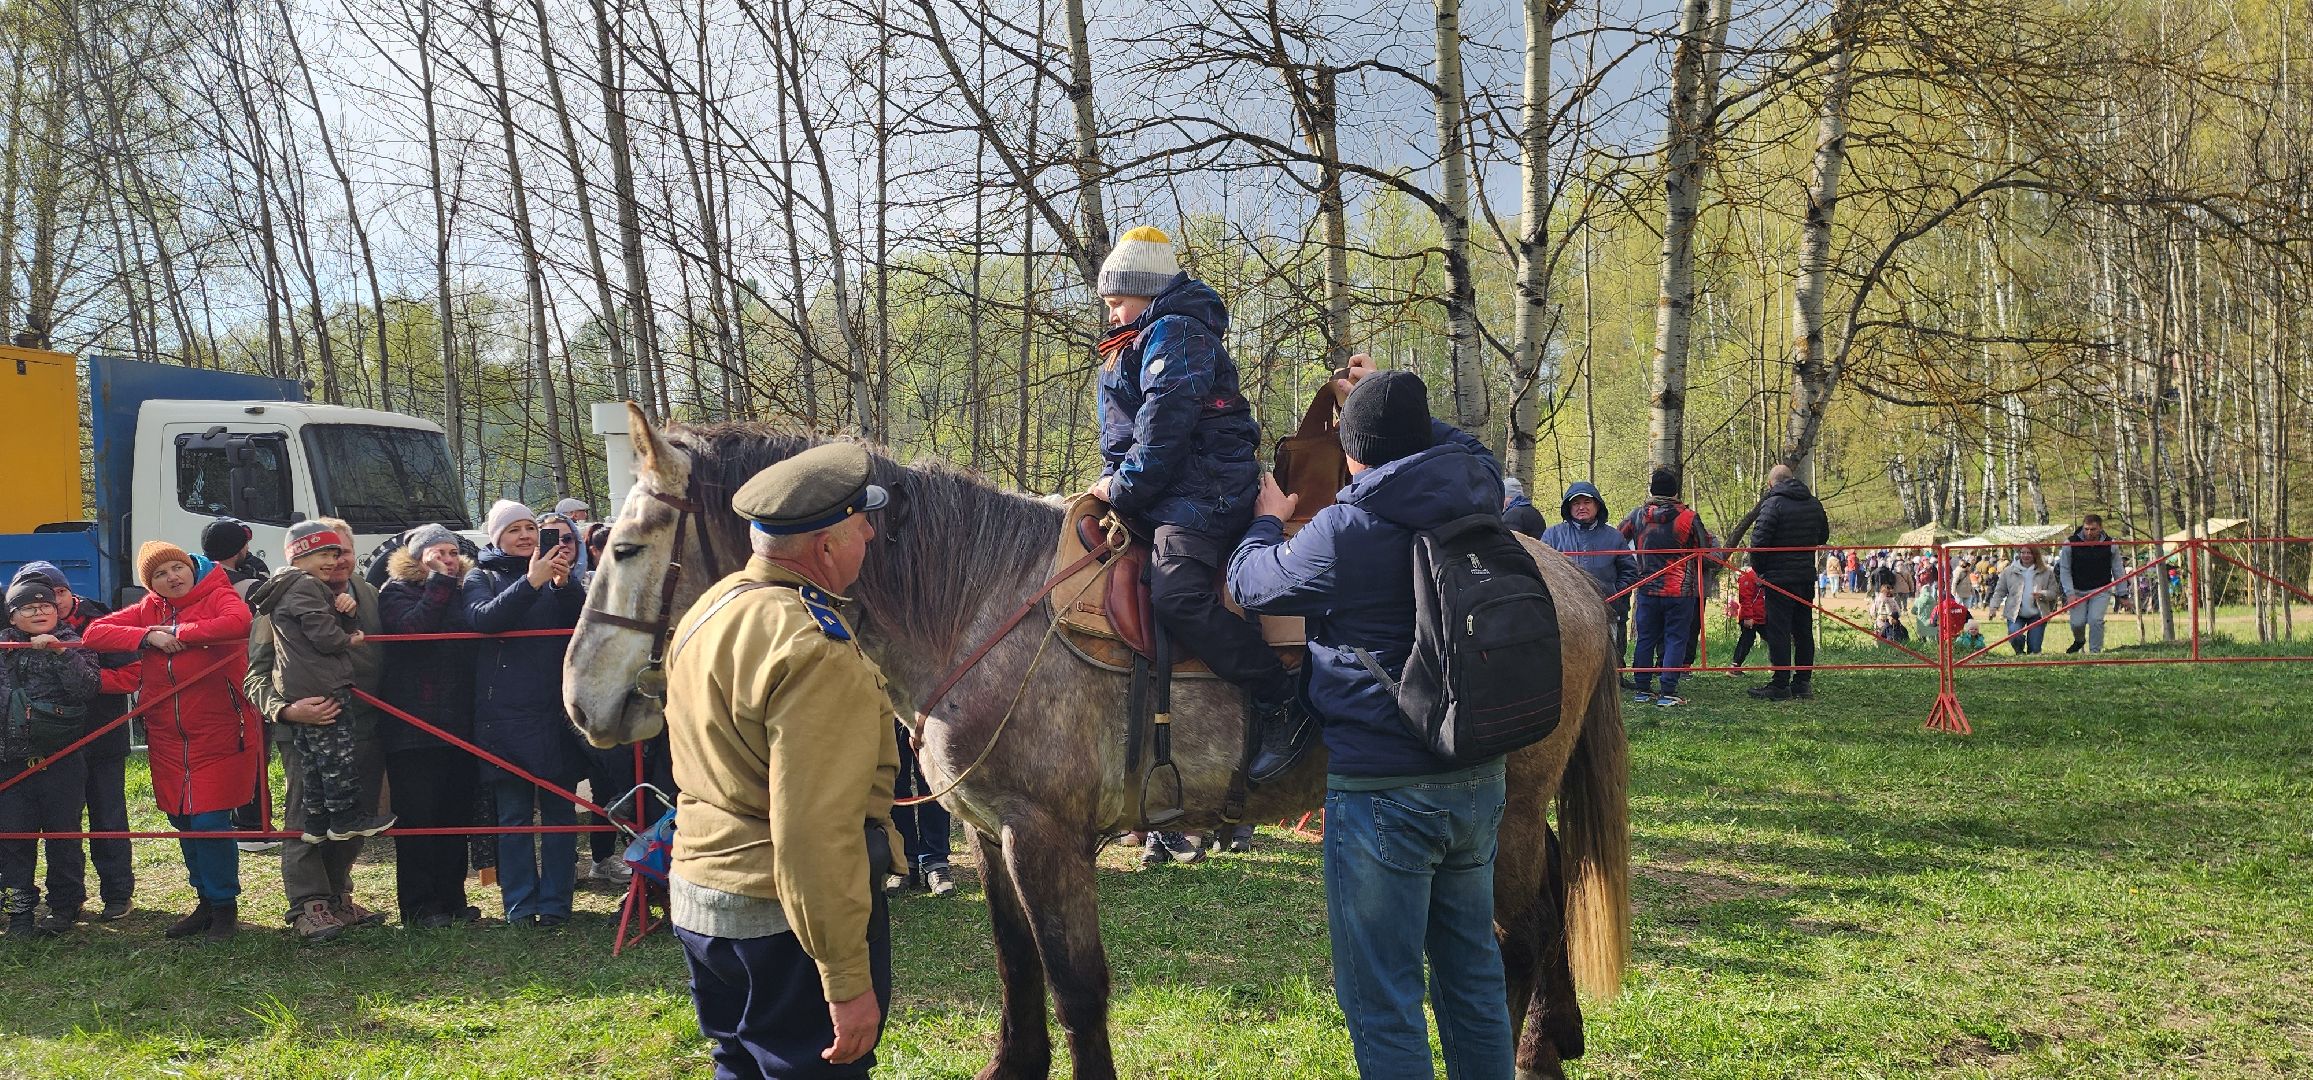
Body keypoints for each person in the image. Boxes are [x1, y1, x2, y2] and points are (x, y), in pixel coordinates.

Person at [1225, 367, 1512, 1078]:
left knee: (1381, 996)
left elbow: (1250, 583)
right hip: (1477, 776)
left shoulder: (1345, 530)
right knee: (1472, 979)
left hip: (1383, 789)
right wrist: (1393, 410)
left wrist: (1265, 517)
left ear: (1352, 453)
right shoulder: (1478, 487)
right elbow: (1462, 448)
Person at [665, 442, 906, 1078]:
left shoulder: (713, 607)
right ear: (825, 547)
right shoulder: (814, 649)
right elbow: (813, 836)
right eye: (860, 527)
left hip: (702, 898)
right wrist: (846, 981)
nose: (872, 536)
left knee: (739, 1064)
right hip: (783, 921)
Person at [1087, 225, 1307, 782]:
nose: (1111, 315)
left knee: (1178, 595)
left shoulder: (1178, 332)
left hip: (1203, 491)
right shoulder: (1137, 338)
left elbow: (1164, 429)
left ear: (1146, 290)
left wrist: (1123, 488)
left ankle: (1280, 698)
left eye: (1116, 302)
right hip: (1164, 488)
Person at [82, 542, 260, 941]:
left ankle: (225, 908)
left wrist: (179, 632)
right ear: (152, 584)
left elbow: (238, 623)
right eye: (160, 574)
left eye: (177, 567)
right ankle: (205, 902)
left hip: (220, 727)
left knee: (209, 820)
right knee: (181, 818)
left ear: (192, 568)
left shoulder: (218, 593)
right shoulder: (149, 609)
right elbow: (94, 632)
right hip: (165, 733)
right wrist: (149, 637)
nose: (172, 577)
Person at [246, 516, 394, 942]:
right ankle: (309, 903)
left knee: (355, 813)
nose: (337, 561)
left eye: (343, 552)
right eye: (327, 553)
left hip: (366, 724)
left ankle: (338, 894)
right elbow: (255, 673)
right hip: (307, 725)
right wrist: (287, 710)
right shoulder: (281, 599)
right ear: (300, 558)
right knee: (306, 813)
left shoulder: (368, 593)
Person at [464, 499, 589, 928]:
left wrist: (562, 585)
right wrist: (531, 583)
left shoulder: (558, 577)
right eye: (514, 529)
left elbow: (582, 622)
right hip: (505, 713)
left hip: (556, 710)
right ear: (497, 536)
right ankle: (519, 905)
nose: (525, 536)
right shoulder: (480, 576)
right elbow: (484, 620)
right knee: (513, 814)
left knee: (560, 812)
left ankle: (556, 903)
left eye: (531, 528)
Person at [9, 561, 136, 927]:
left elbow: (129, 675)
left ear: (68, 592)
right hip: (34, 747)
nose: (50, 603)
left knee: (107, 817)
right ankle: (28, 905)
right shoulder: (12, 636)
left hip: (100, 735)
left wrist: (74, 662)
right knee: (35, 825)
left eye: (57, 593)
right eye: (35, 599)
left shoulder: (102, 619)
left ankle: (116, 895)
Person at [378, 523, 484, 928]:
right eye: (438, 552)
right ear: (417, 556)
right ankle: (419, 907)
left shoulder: (466, 589)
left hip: (460, 721)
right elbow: (413, 630)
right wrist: (440, 582)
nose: (448, 558)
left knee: (454, 815)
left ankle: (453, 898)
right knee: (420, 819)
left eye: (453, 552)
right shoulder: (396, 592)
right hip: (413, 725)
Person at [0, 580, 100, 938]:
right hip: (10, 759)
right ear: (13, 614)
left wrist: (60, 653)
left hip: (62, 758)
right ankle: (20, 914)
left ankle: (64, 907)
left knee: (64, 835)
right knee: (13, 839)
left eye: (45, 606)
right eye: (28, 607)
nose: (39, 612)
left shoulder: (73, 642)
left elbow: (87, 689)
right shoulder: (2, 645)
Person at [1619, 467, 1717, 708]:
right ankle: (1667, 691)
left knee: (1646, 638)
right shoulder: (1688, 517)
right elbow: (1704, 550)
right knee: (1675, 638)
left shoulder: (1637, 515)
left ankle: (1642, 688)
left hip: (1647, 587)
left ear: (1652, 490)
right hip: (1680, 590)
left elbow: (1617, 538)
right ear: (1675, 492)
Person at [1739, 464, 1829, 701]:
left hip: (1778, 577)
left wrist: (1760, 569)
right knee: (1803, 630)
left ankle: (1780, 684)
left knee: (1779, 631)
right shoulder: (1813, 503)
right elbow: (1823, 535)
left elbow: (1758, 542)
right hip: (1804, 576)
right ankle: (1803, 683)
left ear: (1771, 484)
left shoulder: (1773, 503)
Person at [1539, 481, 1638, 676]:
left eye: (1587, 502)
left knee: (1608, 661)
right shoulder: (1552, 535)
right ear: (1569, 507)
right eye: (1576, 503)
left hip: (1607, 608)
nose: (1581, 507)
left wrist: (1615, 592)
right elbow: (1541, 569)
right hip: (1566, 611)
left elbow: (1630, 570)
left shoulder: (1614, 537)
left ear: (1597, 505)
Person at [886, 723, 955, 896]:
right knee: (893, 781)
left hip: (926, 705)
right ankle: (903, 864)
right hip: (888, 706)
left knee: (932, 782)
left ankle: (936, 862)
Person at [2059, 514, 2123, 655]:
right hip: (2076, 589)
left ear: (2100, 528)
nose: (2089, 532)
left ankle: (2095, 653)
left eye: (2093, 529)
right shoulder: (2070, 543)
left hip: (2101, 589)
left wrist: (2122, 593)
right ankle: (2079, 640)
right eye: (2086, 529)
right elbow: (2064, 570)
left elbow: (2118, 569)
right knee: (2077, 623)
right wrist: (2070, 593)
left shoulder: (2111, 544)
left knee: (2096, 620)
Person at [1989, 546, 2060, 654]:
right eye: (2023, 552)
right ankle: (2020, 653)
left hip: (2038, 614)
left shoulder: (2047, 572)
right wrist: (1994, 607)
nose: (2025, 555)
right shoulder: (2008, 571)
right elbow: (1999, 591)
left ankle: (2032, 660)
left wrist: (2043, 594)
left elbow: (2054, 592)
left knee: (2035, 649)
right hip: (2015, 614)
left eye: (2029, 553)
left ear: (2035, 555)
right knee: (2014, 635)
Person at [202, 516, 271, 598]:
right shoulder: (251, 588)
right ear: (235, 552)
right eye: (245, 544)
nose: (248, 548)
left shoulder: (193, 579)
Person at [1726, 566, 1765, 672]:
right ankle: (1735, 666)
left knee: (1774, 639)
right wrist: (1748, 617)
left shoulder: (1766, 574)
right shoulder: (1748, 576)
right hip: (1751, 616)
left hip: (1763, 615)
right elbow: (1745, 598)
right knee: (1746, 640)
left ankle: (1779, 666)